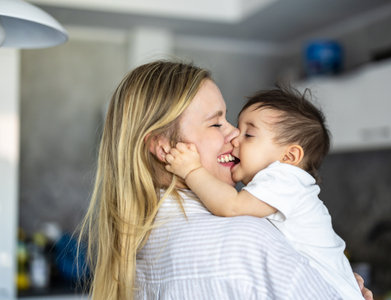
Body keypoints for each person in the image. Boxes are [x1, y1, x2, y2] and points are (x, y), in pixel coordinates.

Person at [79, 60, 373, 300]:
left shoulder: (140, 242)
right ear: (163, 147)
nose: (234, 135)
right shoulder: (243, 240)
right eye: (216, 122)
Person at [164, 85, 364, 299]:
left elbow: (231, 206)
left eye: (248, 134)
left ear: (289, 157)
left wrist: (192, 170)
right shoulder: (281, 185)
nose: (234, 138)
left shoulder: (285, 178)